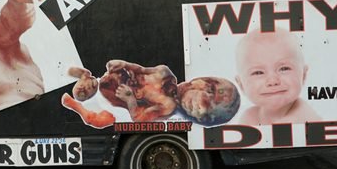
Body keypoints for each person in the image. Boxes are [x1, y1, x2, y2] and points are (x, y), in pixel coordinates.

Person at [61, 61, 239, 128]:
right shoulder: (164, 72)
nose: (189, 106)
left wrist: (130, 99)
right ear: (199, 82)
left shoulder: (167, 106)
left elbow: (138, 119)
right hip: (107, 82)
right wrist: (124, 65)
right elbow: (141, 69)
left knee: (99, 121)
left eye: (194, 111)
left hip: (112, 103)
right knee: (81, 77)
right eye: (192, 102)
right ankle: (80, 76)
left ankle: (74, 105)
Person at [234, 29, 319, 125]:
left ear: (303, 75)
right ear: (241, 84)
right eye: (258, 72)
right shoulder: (249, 116)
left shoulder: (305, 117)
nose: (273, 81)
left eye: (284, 69)